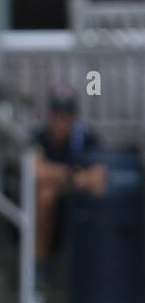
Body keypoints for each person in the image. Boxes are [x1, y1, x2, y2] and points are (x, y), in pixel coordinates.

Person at [33, 90, 107, 268]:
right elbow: (36, 170)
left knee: (99, 191)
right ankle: (40, 261)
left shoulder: (86, 138)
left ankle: (97, 259)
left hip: (79, 192)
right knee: (45, 194)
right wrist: (71, 174)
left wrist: (64, 176)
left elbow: (99, 175)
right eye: (56, 117)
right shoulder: (39, 136)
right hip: (57, 191)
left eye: (65, 118)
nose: (60, 124)